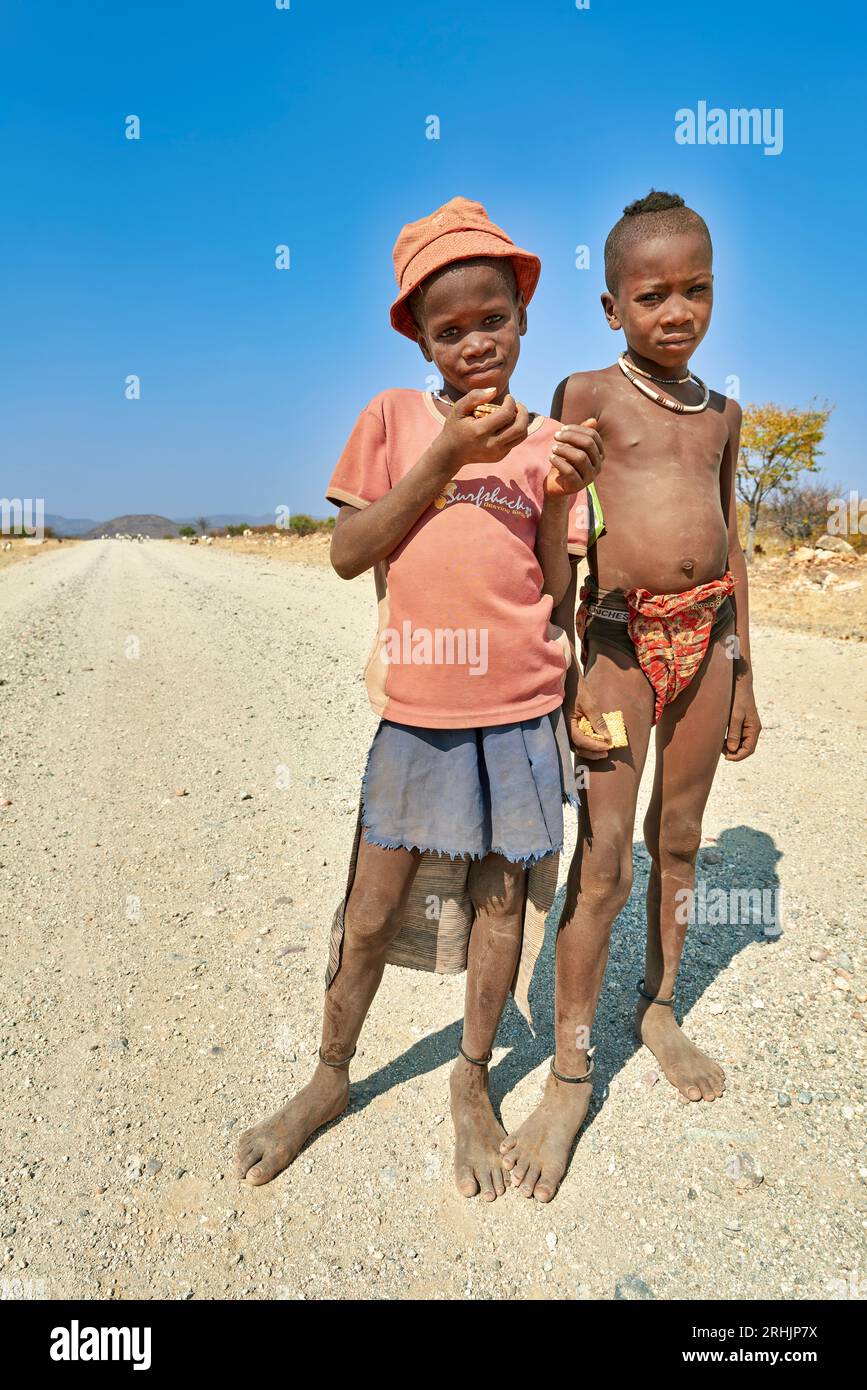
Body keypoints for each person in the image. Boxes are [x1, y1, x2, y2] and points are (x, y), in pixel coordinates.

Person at [236, 196, 605, 1199]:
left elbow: (552, 586)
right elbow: (350, 553)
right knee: (369, 909)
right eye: (452, 330)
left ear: (524, 317)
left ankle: (471, 1081)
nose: (477, 343)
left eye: (494, 319)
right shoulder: (395, 420)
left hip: (521, 715)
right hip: (419, 718)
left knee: (499, 903)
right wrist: (446, 459)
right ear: (420, 338)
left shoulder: (548, 444)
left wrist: (564, 492)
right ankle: (328, 1076)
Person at [500, 190, 762, 1203]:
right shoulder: (586, 393)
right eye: (653, 294)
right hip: (615, 639)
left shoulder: (725, 414)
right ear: (613, 308)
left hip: (708, 637)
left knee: (683, 835)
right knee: (604, 860)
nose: (678, 311)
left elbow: (735, 542)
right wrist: (555, 664)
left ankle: (655, 1006)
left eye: (696, 289)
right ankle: (570, 1075)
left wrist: (744, 668)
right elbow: (551, 532)